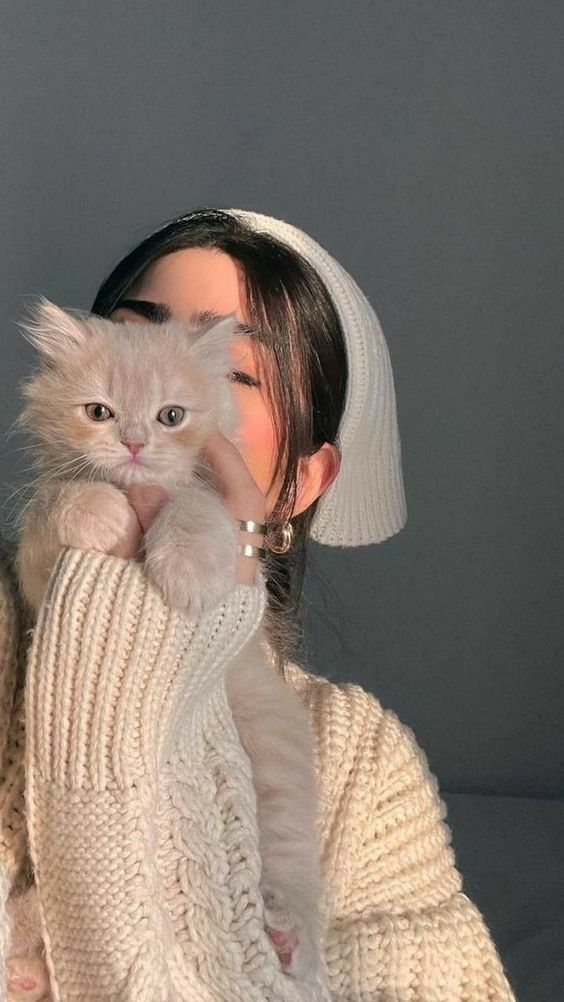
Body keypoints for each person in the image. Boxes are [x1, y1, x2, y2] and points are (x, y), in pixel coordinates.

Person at [0, 207, 518, 1000]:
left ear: (305, 480)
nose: (144, 421)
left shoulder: (360, 768)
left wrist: (196, 591)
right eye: (132, 336)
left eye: (230, 373)